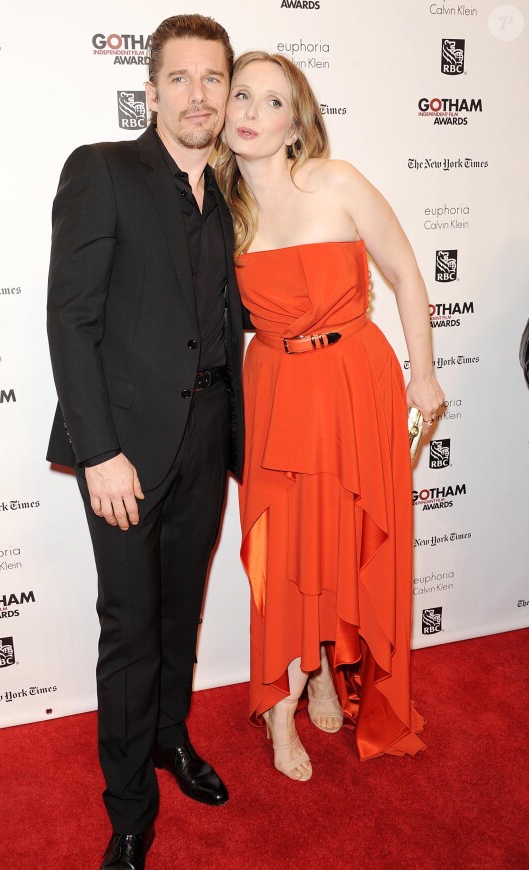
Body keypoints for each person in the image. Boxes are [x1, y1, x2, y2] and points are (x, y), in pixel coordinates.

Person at [46, 15, 245, 869]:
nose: (198, 95)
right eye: (181, 78)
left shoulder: (235, 193)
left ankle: (170, 740)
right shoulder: (104, 171)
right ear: (152, 89)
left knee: (181, 613)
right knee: (131, 629)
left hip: (207, 439)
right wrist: (98, 452)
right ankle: (129, 808)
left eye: (214, 79)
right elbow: (71, 318)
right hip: (124, 449)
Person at [215, 51, 445, 781]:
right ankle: (281, 707)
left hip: (355, 383)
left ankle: (325, 669)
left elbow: (407, 273)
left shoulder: (336, 182)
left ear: (295, 124)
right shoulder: (218, 209)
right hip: (277, 389)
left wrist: (426, 373)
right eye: (240, 96)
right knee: (283, 555)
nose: (251, 112)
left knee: (343, 541)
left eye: (271, 102)